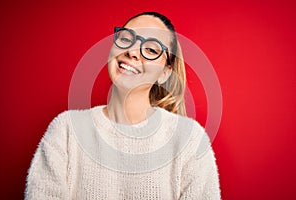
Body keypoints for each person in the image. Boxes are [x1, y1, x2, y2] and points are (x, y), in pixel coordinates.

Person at [25, 12, 221, 199]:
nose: (132, 52)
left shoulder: (190, 140)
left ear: (165, 73)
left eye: (151, 49)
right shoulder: (66, 129)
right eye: (126, 39)